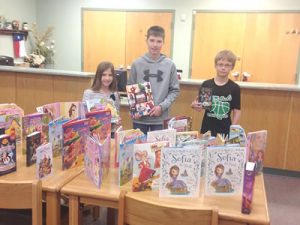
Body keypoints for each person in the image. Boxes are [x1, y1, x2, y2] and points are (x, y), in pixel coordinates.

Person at [128, 25, 180, 134]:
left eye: (159, 41)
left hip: (160, 120)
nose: (155, 45)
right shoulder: (137, 64)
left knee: (159, 150)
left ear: (163, 43)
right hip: (140, 119)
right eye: (152, 40)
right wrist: (134, 110)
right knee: (139, 149)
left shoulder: (170, 65)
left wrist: (162, 107)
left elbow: (174, 90)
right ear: (146, 40)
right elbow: (130, 89)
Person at [191, 49, 241, 137]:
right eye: (220, 64)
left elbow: (236, 111)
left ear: (232, 67)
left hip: (225, 130)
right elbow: (201, 106)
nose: (223, 68)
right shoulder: (207, 84)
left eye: (227, 65)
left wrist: (233, 129)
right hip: (207, 129)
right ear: (215, 65)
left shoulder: (234, 88)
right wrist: (194, 105)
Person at [82, 61, 121, 136]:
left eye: (110, 75)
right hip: (93, 135)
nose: (107, 78)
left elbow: (117, 114)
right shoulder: (89, 93)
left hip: (111, 134)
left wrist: (118, 121)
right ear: (98, 76)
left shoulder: (115, 94)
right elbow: (83, 117)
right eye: (104, 75)